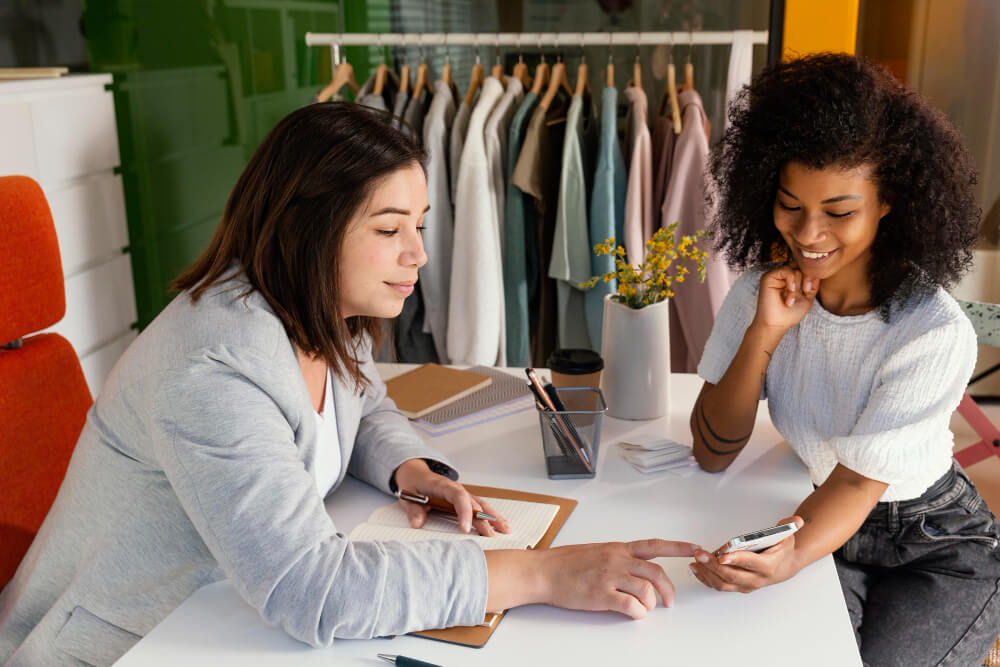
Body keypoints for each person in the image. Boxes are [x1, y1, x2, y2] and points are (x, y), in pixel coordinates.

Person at [0, 102, 697, 666]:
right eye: (391, 227)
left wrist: (409, 467)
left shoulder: (315, 305)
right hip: (124, 644)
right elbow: (311, 589)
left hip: (224, 620)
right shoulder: (212, 366)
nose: (419, 253)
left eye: (420, 225)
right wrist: (539, 574)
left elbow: (362, 403)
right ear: (311, 228)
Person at [686, 53, 998, 666]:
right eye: (790, 204)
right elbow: (711, 448)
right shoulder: (760, 292)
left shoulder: (931, 330)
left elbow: (858, 480)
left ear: (888, 203)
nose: (807, 233)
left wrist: (787, 556)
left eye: (839, 212)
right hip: (822, 518)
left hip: (932, 542)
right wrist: (763, 336)